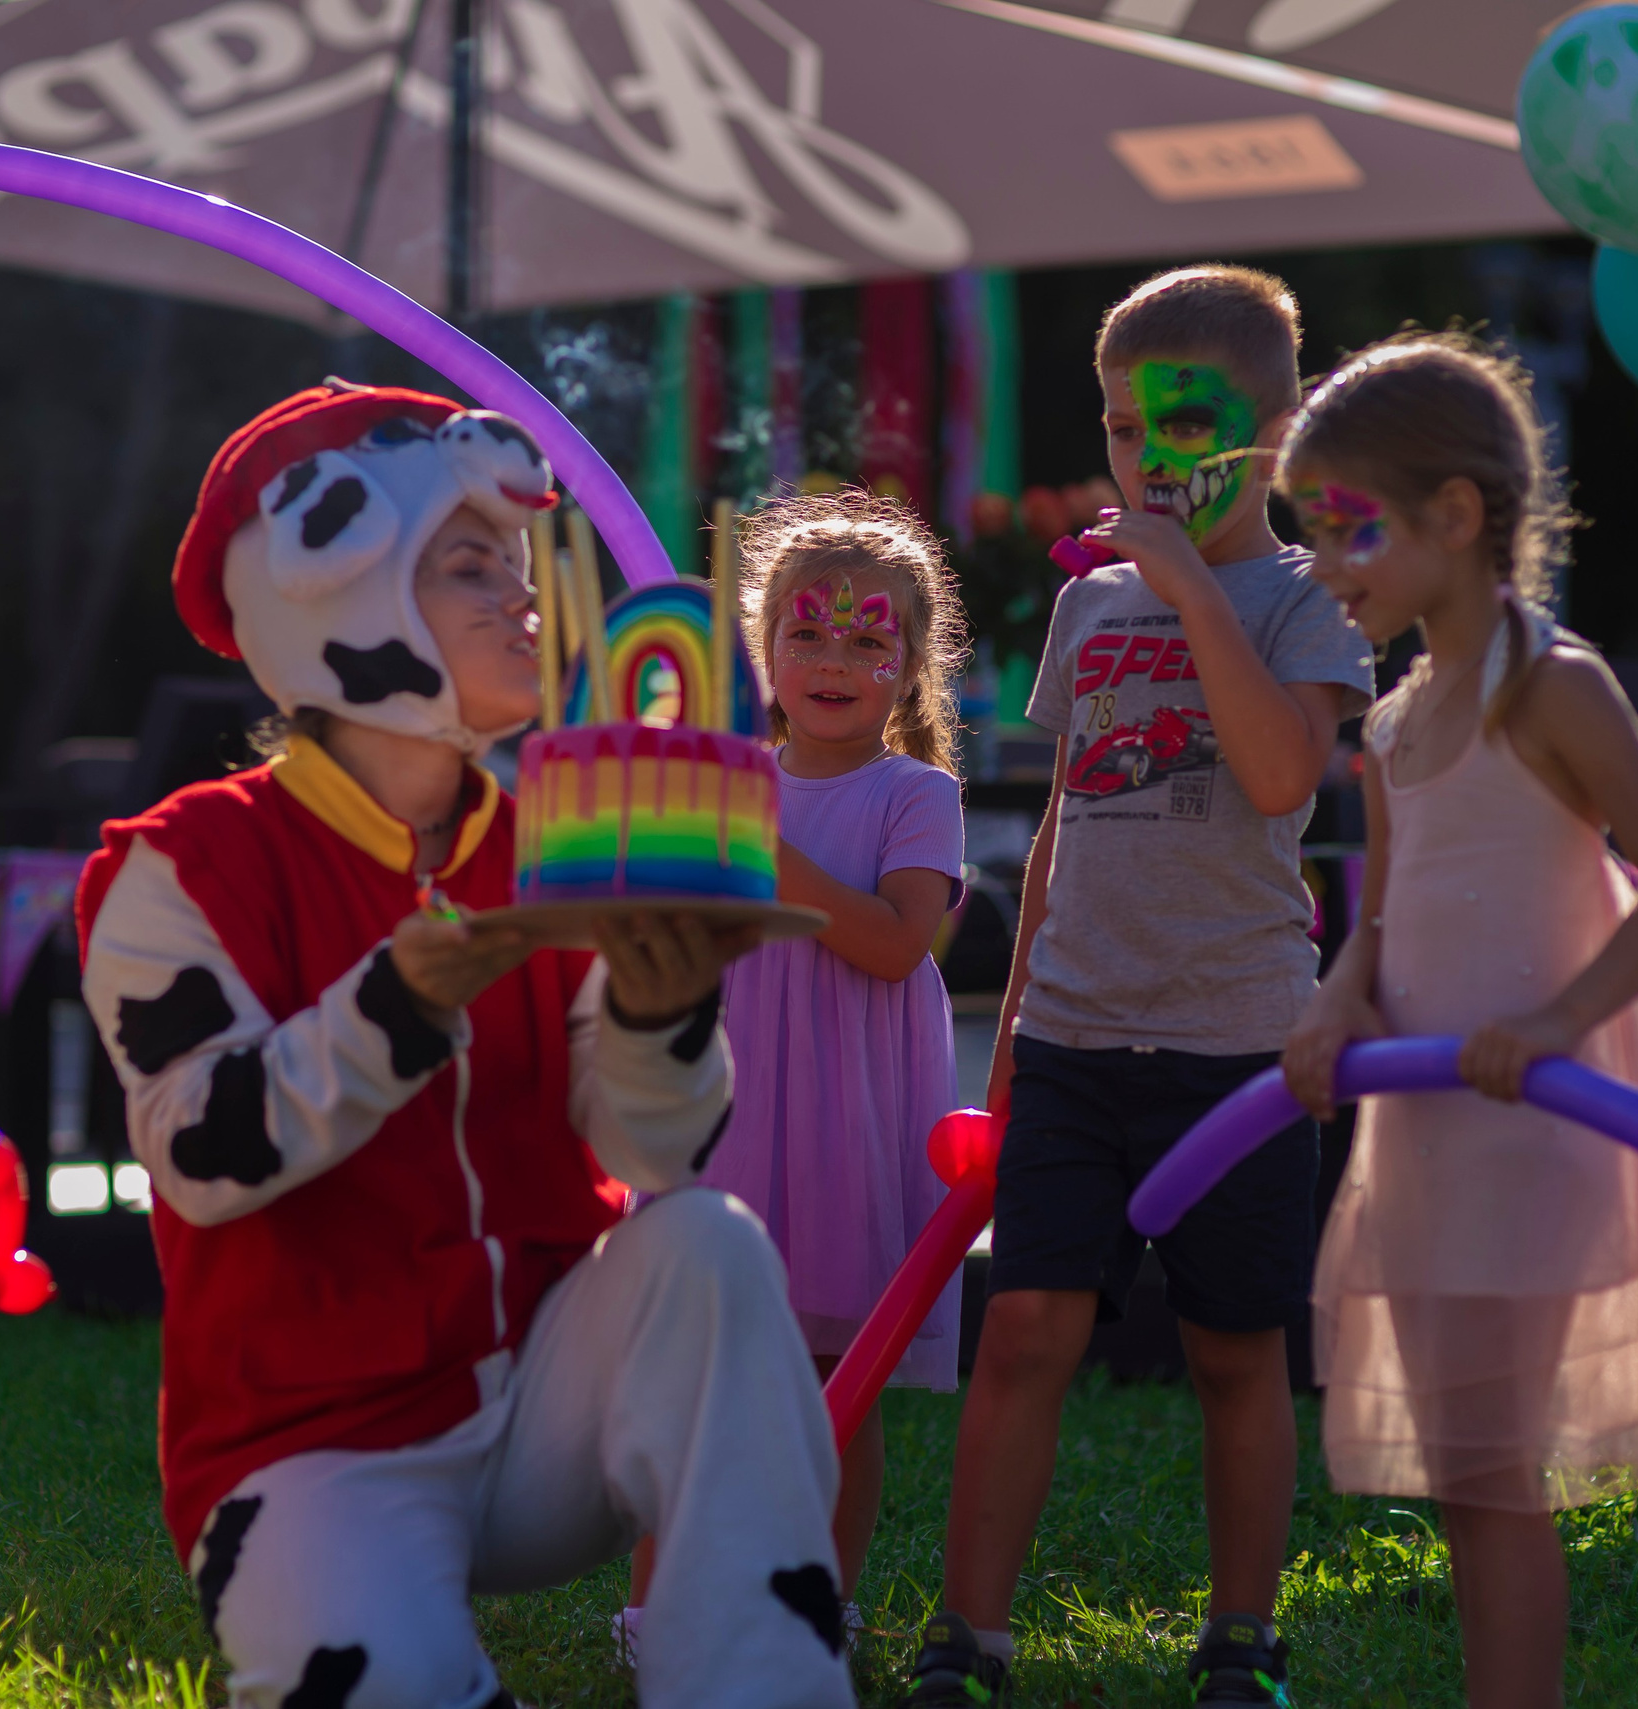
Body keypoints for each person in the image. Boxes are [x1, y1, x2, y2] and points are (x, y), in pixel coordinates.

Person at [76, 384, 855, 1709]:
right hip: (311, 1440)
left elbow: (646, 1148)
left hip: (552, 1395)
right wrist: (396, 1004)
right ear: (336, 596)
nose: (522, 598)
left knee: (709, 1240)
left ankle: (763, 1685)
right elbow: (204, 1153)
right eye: (466, 564)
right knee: (390, 1684)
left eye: (517, 560)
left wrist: (664, 1015)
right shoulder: (181, 863)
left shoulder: (560, 832)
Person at [1278, 334, 1638, 1709]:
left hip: (1540, 1121)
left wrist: (1557, 1021)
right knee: (1465, 1470)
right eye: (1313, 533)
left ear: (1454, 514)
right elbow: (1384, 918)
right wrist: (1333, 1002)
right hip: (1429, 1130)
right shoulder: (1388, 728)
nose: (1326, 564)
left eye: (1349, 528)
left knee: (1492, 1476)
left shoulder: (1551, 683)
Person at [910, 266, 1376, 1708]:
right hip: (1068, 1036)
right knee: (1030, 1330)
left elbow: (1286, 773)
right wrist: (1006, 1047)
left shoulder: (1311, 603)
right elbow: (1063, 826)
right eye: (1121, 427)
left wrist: (1185, 583)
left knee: (1235, 1350)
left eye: (1185, 424)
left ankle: (1244, 1633)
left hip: (1235, 1046)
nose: (1146, 457)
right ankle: (966, 1636)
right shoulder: (1093, 606)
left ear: (1280, 430)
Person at [620, 492, 971, 1654]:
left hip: (842, 1119)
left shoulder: (915, 795)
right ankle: (659, 1600)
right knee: (698, 1371)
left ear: (912, 664)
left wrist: (763, 847)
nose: (834, 659)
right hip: (725, 1105)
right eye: (807, 633)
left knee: (835, 1376)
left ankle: (816, 1600)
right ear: (761, 650)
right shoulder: (718, 774)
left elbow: (890, 941)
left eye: (869, 638)